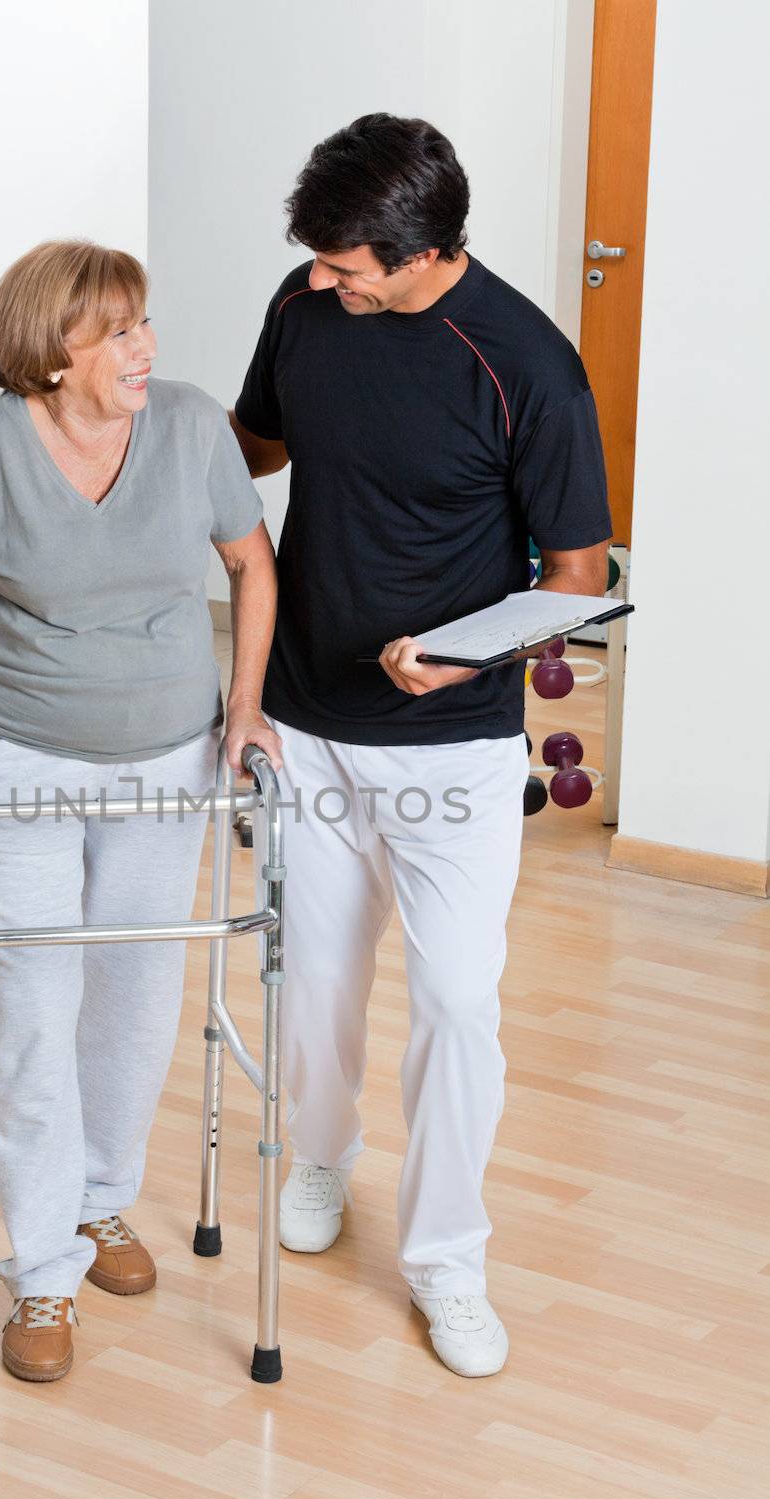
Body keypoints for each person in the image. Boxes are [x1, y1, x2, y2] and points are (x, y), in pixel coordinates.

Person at [0, 240, 281, 1383]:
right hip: (15, 754)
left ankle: (101, 1206)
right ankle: (41, 1272)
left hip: (166, 758)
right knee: (35, 1001)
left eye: (144, 323)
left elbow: (252, 562)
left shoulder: (189, 427)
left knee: (136, 993)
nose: (145, 347)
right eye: (118, 331)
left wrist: (244, 708)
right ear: (52, 355)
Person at [230, 115, 611, 1377]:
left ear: (418, 252)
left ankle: (447, 1256)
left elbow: (575, 579)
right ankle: (320, 1163)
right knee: (318, 980)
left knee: (454, 997)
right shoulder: (304, 304)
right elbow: (261, 445)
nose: (321, 284)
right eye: (320, 266)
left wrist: (468, 651)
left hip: (449, 739)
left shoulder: (527, 369)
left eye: (346, 268)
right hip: (304, 715)